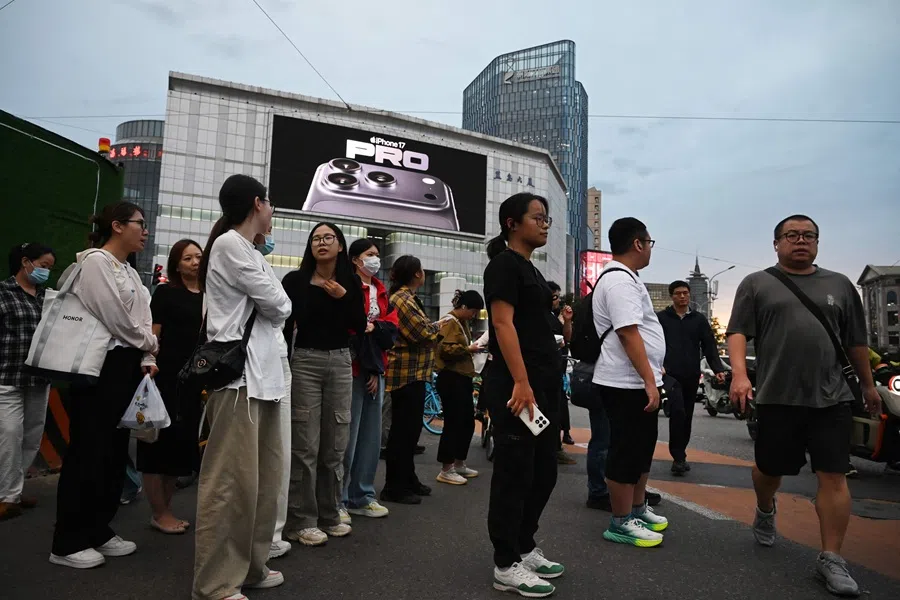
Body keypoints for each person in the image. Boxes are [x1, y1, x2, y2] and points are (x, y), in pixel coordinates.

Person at [727, 214, 880, 598]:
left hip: (832, 398)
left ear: (817, 242)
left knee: (833, 475)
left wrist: (868, 384)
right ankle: (765, 507)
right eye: (792, 235)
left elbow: (855, 341)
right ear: (776, 243)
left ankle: (831, 558)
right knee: (769, 469)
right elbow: (738, 331)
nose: (801, 240)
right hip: (778, 396)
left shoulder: (840, 285)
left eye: (809, 235)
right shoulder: (757, 283)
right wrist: (740, 375)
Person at [192, 174, 292, 600]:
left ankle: (251, 566)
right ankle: (216, 583)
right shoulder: (231, 244)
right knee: (231, 485)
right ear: (257, 203)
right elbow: (280, 304)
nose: (271, 211)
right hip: (239, 382)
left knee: (264, 484)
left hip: (266, 381)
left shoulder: (250, 251)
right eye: (269, 203)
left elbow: (277, 304)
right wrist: (277, 299)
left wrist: (275, 298)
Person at [49, 202, 160, 569]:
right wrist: (149, 342)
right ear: (116, 226)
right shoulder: (95, 261)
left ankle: (98, 528)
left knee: (114, 452)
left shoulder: (128, 270)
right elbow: (116, 318)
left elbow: (142, 316)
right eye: (138, 224)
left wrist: (146, 357)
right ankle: (67, 541)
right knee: (88, 451)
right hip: (98, 368)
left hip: (125, 366)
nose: (144, 230)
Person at [484, 193, 564, 598]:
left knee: (544, 470)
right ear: (512, 223)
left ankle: (525, 544)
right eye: (538, 218)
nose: (545, 224)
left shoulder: (531, 270)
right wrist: (521, 381)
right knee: (515, 473)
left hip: (544, 387)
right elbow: (502, 324)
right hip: (518, 387)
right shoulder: (503, 266)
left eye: (547, 218)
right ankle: (505, 562)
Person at [282, 223, 366, 547]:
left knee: (335, 443)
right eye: (316, 238)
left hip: (341, 361)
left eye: (328, 238)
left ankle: (330, 514)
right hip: (305, 361)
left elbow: (359, 325)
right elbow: (285, 325)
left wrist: (344, 297)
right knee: (305, 444)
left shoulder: (351, 282)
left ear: (340, 246)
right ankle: (301, 521)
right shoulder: (296, 281)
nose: (321, 243)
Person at [591, 217, 668, 548]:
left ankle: (636, 508)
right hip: (625, 382)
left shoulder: (627, 279)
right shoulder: (619, 281)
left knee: (641, 449)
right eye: (649, 242)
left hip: (635, 381)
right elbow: (627, 332)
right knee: (625, 450)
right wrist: (650, 381)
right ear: (638, 243)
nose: (650, 248)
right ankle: (621, 521)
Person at [136, 239, 204, 534]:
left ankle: (165, 509)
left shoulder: (211, 295)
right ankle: (158, 511)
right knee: (156, 444)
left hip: (194, 381)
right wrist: (148, 361)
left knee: (180, 446)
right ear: (177, 264)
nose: (195, 262)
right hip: (164, 377)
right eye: (188, 258)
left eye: (199, 256)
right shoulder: (165, 293)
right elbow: (153, 332)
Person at [340, 239, 396, 521]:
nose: (375, 259)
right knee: (346, 437)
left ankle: (361, 496)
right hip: (352, 369)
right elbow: (353, 328)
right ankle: (338, 499)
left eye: (377, 254)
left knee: (370, 438)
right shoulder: (349, 287)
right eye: (369, 255)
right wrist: (374, 330)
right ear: (354, 260)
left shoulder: (382, 290)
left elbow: (391, 329)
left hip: (376, 369)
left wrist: (375, 329)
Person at [0, 243, 55, 521]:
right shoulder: (3, 292)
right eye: (43, 265)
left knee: (32, 437)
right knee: (10, 435)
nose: (46, 271)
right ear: (26, 262)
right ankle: (6, 497)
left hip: (39, 379)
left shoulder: (48, 298)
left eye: (49, 268)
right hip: (7, 377)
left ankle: (14, 491)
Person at [381, 255, 443, 505]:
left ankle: (408, 479)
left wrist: (432, 330)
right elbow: (423, 333)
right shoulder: (402, 300)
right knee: (402, 434)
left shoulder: (406, 297)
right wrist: (439, 327)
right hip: (405, 374)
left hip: (413, 373)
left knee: (409, 432)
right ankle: (394, 486)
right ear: (417, 274)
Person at [657, 280, 726, 476]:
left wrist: (717, 368)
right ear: (672, 296)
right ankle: (677, 456)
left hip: (691, 374)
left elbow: (709, 346)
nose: (682, 296)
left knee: (686, 415)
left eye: (685, 293)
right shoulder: (661, 319)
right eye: (678, 293)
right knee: (678, 411)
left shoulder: (698, 320)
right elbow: (653, 343)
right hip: (668, 375)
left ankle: (680, 455)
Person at [434, 289, 485, 485]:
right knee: (454, 423)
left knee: (466, 422)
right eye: (473, 311)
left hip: (462, 377)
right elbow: (445, 349)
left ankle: (459, 463)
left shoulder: (461, 322)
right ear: (463, 307)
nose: (474, 315)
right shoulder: (449, 321)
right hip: (451, 377)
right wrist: (468, 349)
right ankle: (446, 468)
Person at [547, 281, 577, 465]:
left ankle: (557, 445)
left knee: (558, 408)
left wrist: (567, 321)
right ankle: (552, 449)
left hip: (557, 370)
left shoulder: (553, 317)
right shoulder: (538, 316)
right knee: (550, 410)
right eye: (555, 297)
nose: (558, 300)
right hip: (544, 372)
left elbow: (567, 338)